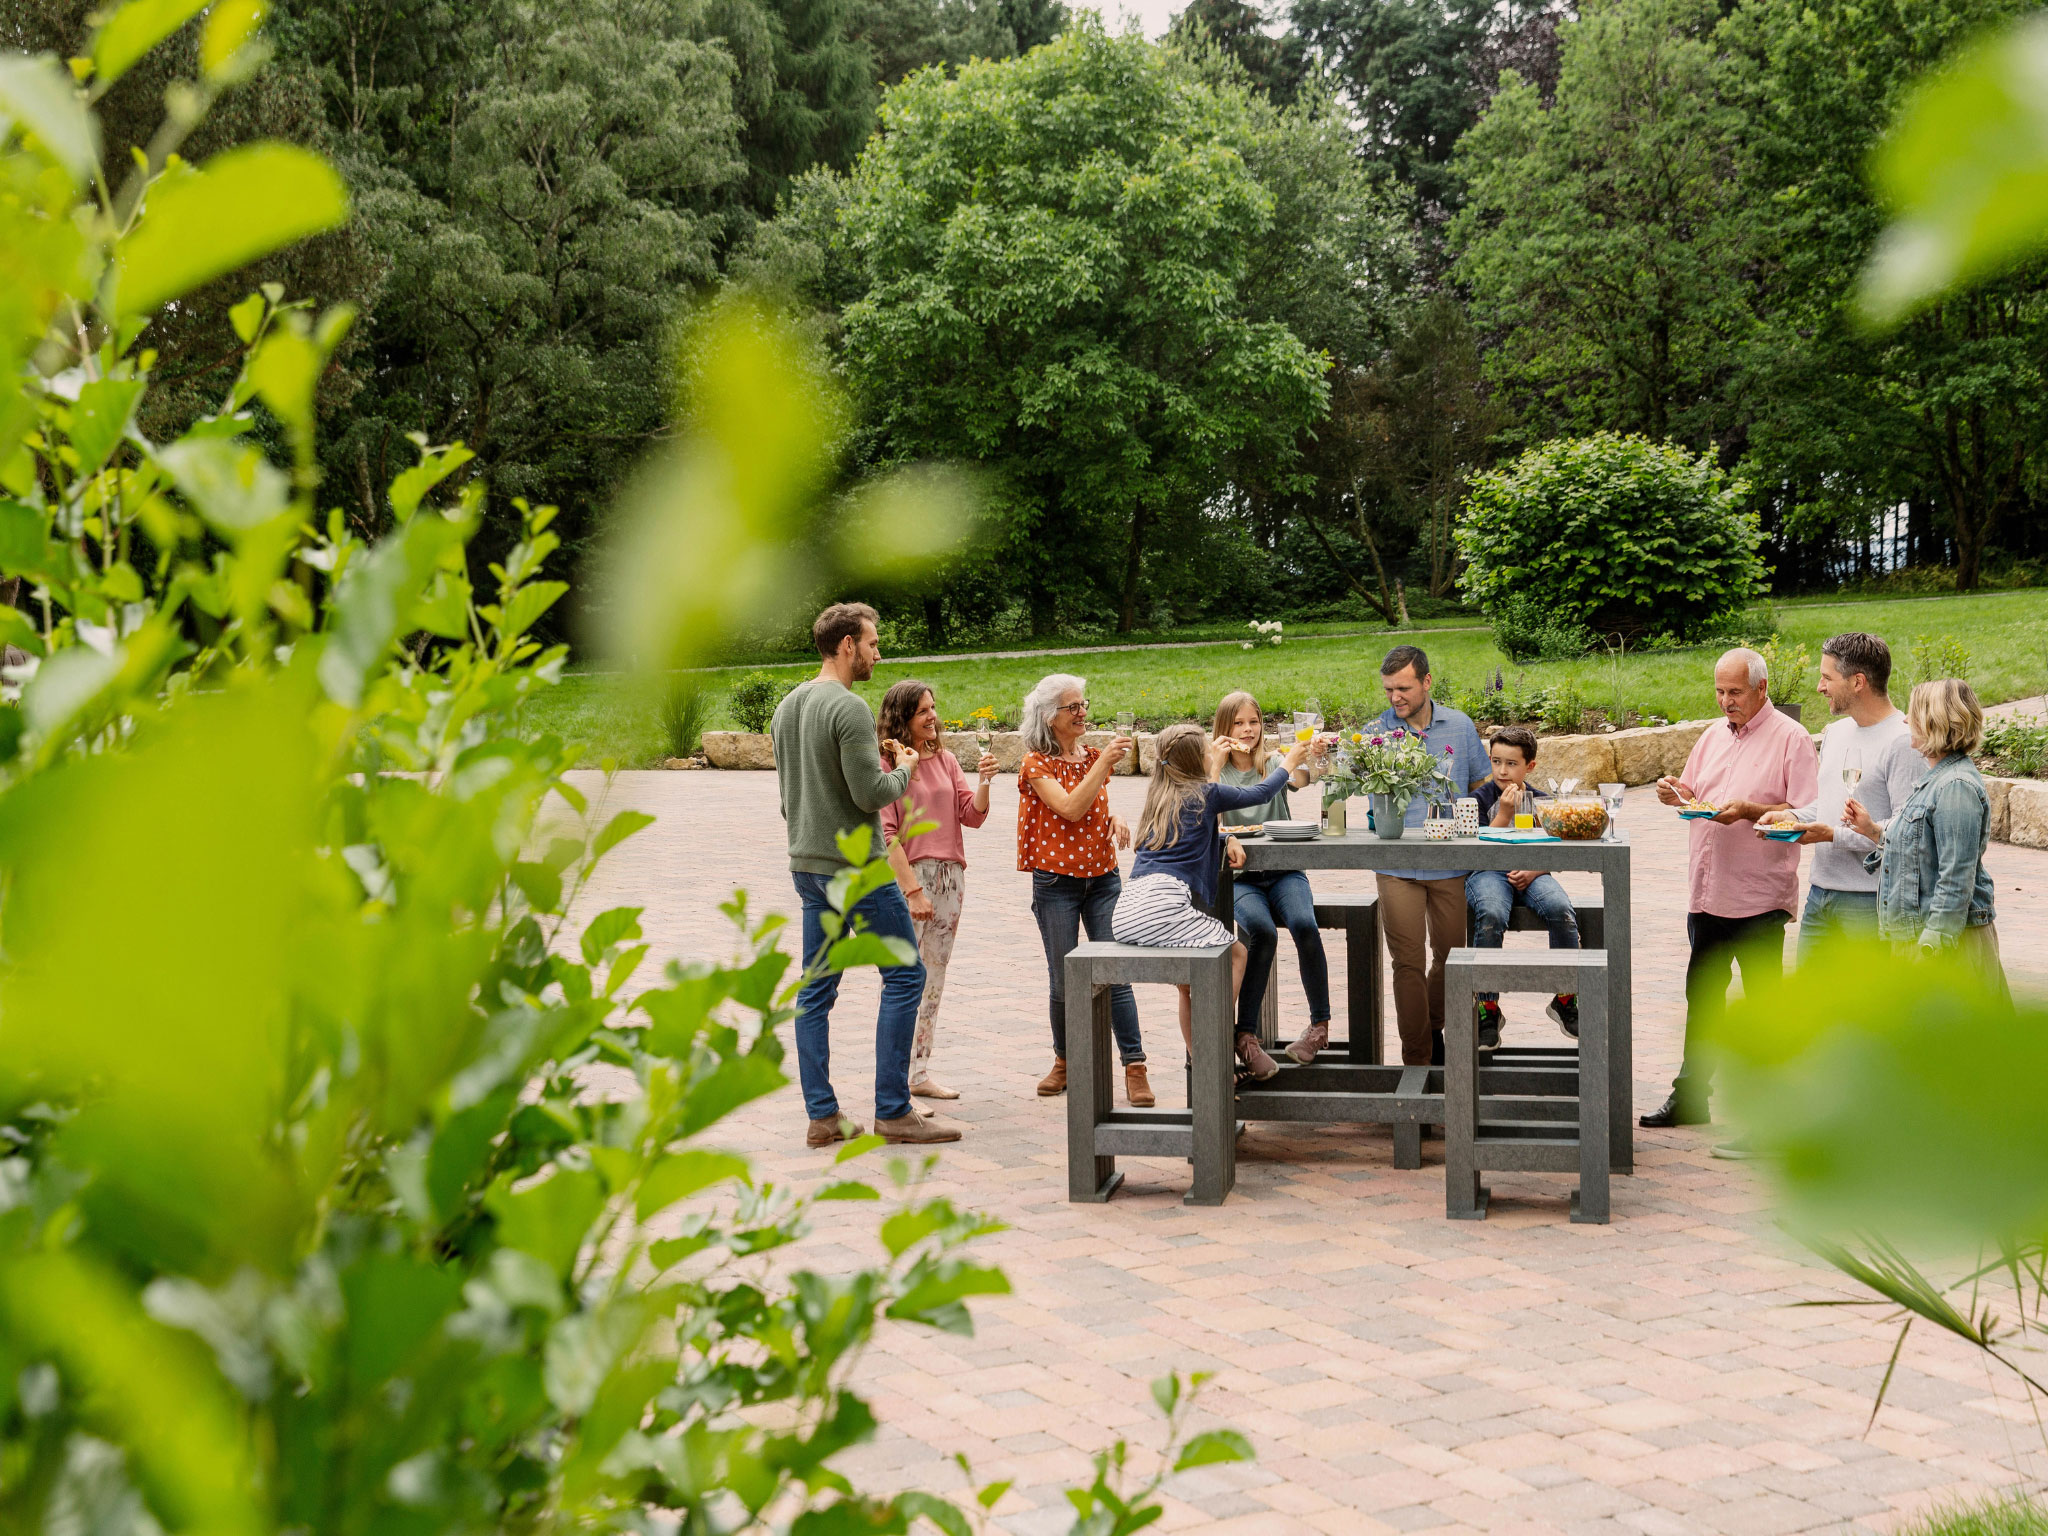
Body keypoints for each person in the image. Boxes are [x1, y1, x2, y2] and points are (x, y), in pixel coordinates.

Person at [771, 602, 960, 1148]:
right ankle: (894, 1111)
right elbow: (870, 794)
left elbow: (790, 800)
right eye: (873, 644)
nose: (879, 654)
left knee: (816, 991)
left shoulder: (788, 706)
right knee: (905, 975)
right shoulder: (849, 707)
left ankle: (823, 1116)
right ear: (848, 645)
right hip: (857, 869)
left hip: (807, 867)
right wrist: (906, 765)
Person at [1642, 647, 1819, 1129]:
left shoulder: (1792, 739)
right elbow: (1696, 796)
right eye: (1719, 691)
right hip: (1708, 892)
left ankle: (1770, 1108)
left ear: (1762, 689)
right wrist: (1675, 791)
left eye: (1734, 692)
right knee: (1701, 1000)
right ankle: (1690, 1098)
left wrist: (1749, 810)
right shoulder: (1712, 736)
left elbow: (1807, 813)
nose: (1725, 701)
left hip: (1759, 896)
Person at [1113, 723, 1311, 1078]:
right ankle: (1217, 1045)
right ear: (1196, 762)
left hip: (1127, 909)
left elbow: (1192, 832)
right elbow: (1263, 793)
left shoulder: (1159, 796)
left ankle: (1201, 1058)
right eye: (1208, 751)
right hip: (1165, 904)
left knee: (1189, 984)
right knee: (1236, 954)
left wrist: (1224, 836)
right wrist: (1291, 760)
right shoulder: (1208, 793)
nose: (1213, 754)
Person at [1018, 674, 1148, 1104]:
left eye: (1083, 704)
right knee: (1064, 981)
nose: (1082, 713)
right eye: (1072, 707)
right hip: (1056, 883)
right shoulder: (1036, 763)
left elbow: (1093, 806)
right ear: (1049, 717)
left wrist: (1117, 818)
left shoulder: (1090, 756)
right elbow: (1070, 808)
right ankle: (1065, 1061)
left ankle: (1135, 1065)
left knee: (1117, 974)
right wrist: (1103, 764)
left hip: (1103, 878)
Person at [1756, 632, 1922, 960]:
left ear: (1858, 682)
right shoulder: (1835, 733)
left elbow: (1907, 833)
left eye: (1827, 678)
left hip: (1869, 904)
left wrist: (1832, 836)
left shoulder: (1903, 742)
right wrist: (1792, 817)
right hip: (1820, 896)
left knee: (1866, 1009)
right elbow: (1828, 805)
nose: (1819, 687)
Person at [1844, 678, 2009, 1003]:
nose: (1905, 720)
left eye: (1913, 713)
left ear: (1935, 722)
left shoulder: (1956, 787)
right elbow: (1921, 845)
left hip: (1945, 947)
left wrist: (1930, 949)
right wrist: (1873, 830)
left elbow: (1955, 880)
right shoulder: (1936, 780)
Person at [877, 679, 1000, 1103]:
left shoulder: (946, 760)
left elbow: (972, 815)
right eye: (923, 711)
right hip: (912, 880)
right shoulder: (889, 765)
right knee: (904, 981)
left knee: (934, 976)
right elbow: (887, 834)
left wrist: (984, 781)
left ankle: (919, 1071)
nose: (933, 716)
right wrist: (912, 891)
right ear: (902, 718)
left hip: (951, 879)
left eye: (934, 708)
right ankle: (895, 1081)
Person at [1370, 645, 1492, 1067]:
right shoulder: (1375, 734)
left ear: (1426, 682)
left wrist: (1469, 814)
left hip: (1452, 865)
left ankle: (1435, 1029)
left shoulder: (1459, 726)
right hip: (1396, 866)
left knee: (1450, 959)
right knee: (1407, 963)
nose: (1394, 698)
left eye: (1403, 688)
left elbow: (1483, 784)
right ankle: (1418, 1061)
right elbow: (1326, 773)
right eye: (1388, 690)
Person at [1213, 692, 1331, 1063]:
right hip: (1242, 878)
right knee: (1261, 933)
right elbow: (1206, 814)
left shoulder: (1273, 761)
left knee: (1303, 924)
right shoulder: (1218, 769)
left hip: (1285, 872)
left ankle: (1319, 1027)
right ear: (1224, 728)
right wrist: (1213, 763)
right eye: (1238, 723)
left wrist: (1316, 754)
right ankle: (1245, 1034)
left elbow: (1304, 776)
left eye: (1253, 722)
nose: (1247, 730)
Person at [1466, 727, 1581, 1052]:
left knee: (1560, 909)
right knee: (1490, 912)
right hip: (1487, 872)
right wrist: (1503, 814)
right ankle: (1486, 1009)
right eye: (1496, 761)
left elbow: (1556, 846)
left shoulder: (1541, 801)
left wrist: (1535, 870)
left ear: (1529, 766)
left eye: (1512, 764)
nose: (1503, 771)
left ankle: (1566, 996)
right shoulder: (1479, 799)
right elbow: (1475, 850)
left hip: (1532, 873)